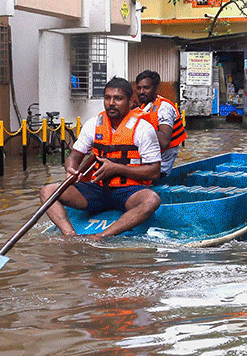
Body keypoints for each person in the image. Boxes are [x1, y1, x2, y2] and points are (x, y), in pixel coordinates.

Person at [40, 77, 162, 238]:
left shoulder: (143, 129)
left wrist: (117, 168)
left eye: (118, 98)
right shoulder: (93, 124)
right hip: (97, 189)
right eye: (107, 98)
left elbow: (154, 172)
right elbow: (75, 155)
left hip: (128, 191)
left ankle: (101, 236)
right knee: (47, 191)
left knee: (152, 200)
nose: (111, 103)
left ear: (130, 101)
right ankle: (69, 235)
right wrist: (70, 169)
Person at [135, 70, 187, 178]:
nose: (141, 91)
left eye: (146, 88)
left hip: (160, 167)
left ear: (155, 88)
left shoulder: (164, 108)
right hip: (148, 160)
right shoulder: (144, 107)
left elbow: (164, 141)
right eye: (139, 88)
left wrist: (140, 124)